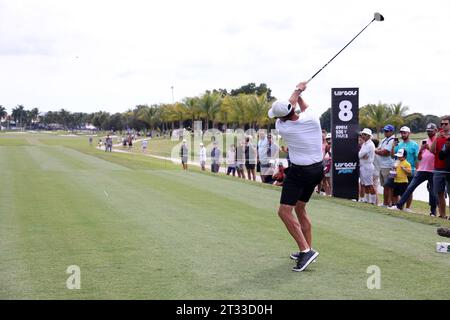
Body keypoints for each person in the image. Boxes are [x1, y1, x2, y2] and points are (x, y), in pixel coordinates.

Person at [268, 80, 322, 272]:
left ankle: (305, 250)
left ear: (281, 117)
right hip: (317, 170)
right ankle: (308, 249)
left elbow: (291, 103)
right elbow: (297, 105)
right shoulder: (313, 118)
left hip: (299, 172)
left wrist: (298, 90)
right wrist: (299, 91)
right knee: (300, 209)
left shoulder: (283, 127)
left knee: (284, 212)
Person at [392, 123, 438, 214]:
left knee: (432, 192)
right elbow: (420, 158)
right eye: (428, 131)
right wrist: (421, 150)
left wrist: (429, 148)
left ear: (436, 131)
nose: (429, 132)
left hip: (433, 170)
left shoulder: (437, 141)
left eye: (431, 131)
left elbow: (438, 155)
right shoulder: (424, 141)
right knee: (410, 188)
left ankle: (433, 212)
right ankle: (399, 206)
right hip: (422, 169)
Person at [392, 126, 419, 211]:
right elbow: (393, 155)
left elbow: (417, 158)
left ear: (409, 133)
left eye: (405, 133)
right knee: (399, 188)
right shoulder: (399, 144)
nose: (403, 134)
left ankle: (408, 208)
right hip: (399, 170)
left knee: (409, 189)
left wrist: (417, 170)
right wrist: (393, 146)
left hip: (410, 170)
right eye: (402, 133)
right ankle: (399, 206)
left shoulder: (414, 145)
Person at [431, 115, 450, 219]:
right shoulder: (438, 136)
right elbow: (432, 150)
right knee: (439, 193)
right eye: (441, 124)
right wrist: (436, 138)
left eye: (445, 124)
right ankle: (442, 215)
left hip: (448, 169)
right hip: (438, 168)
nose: (443, 126)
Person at [375, 125, 395, 207]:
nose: (385, 133)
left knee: (389, 186)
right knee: (384, 186)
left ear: (391, 132)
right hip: (382, 165)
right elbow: (379, 150)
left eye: (387, 131)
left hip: (388, 165)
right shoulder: (384, 140)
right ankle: (385, 203)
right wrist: (378, 151)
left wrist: (377, 151)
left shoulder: (392, 140)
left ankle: (389, 203)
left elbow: (385, 153)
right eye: (384, 131)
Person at [359, 128, 377, 205]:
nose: (363, 136)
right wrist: (361, 155)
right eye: (363, 134)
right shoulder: (364, 144)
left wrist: (361, 155)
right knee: (364, 184)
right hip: (363, 165)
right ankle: (367, 200)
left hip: (368, 166)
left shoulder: (370, 144)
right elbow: (361, 155)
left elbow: (360, 155)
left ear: (369, 136)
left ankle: (373, 202)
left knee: (369, 184)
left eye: (365, 134)